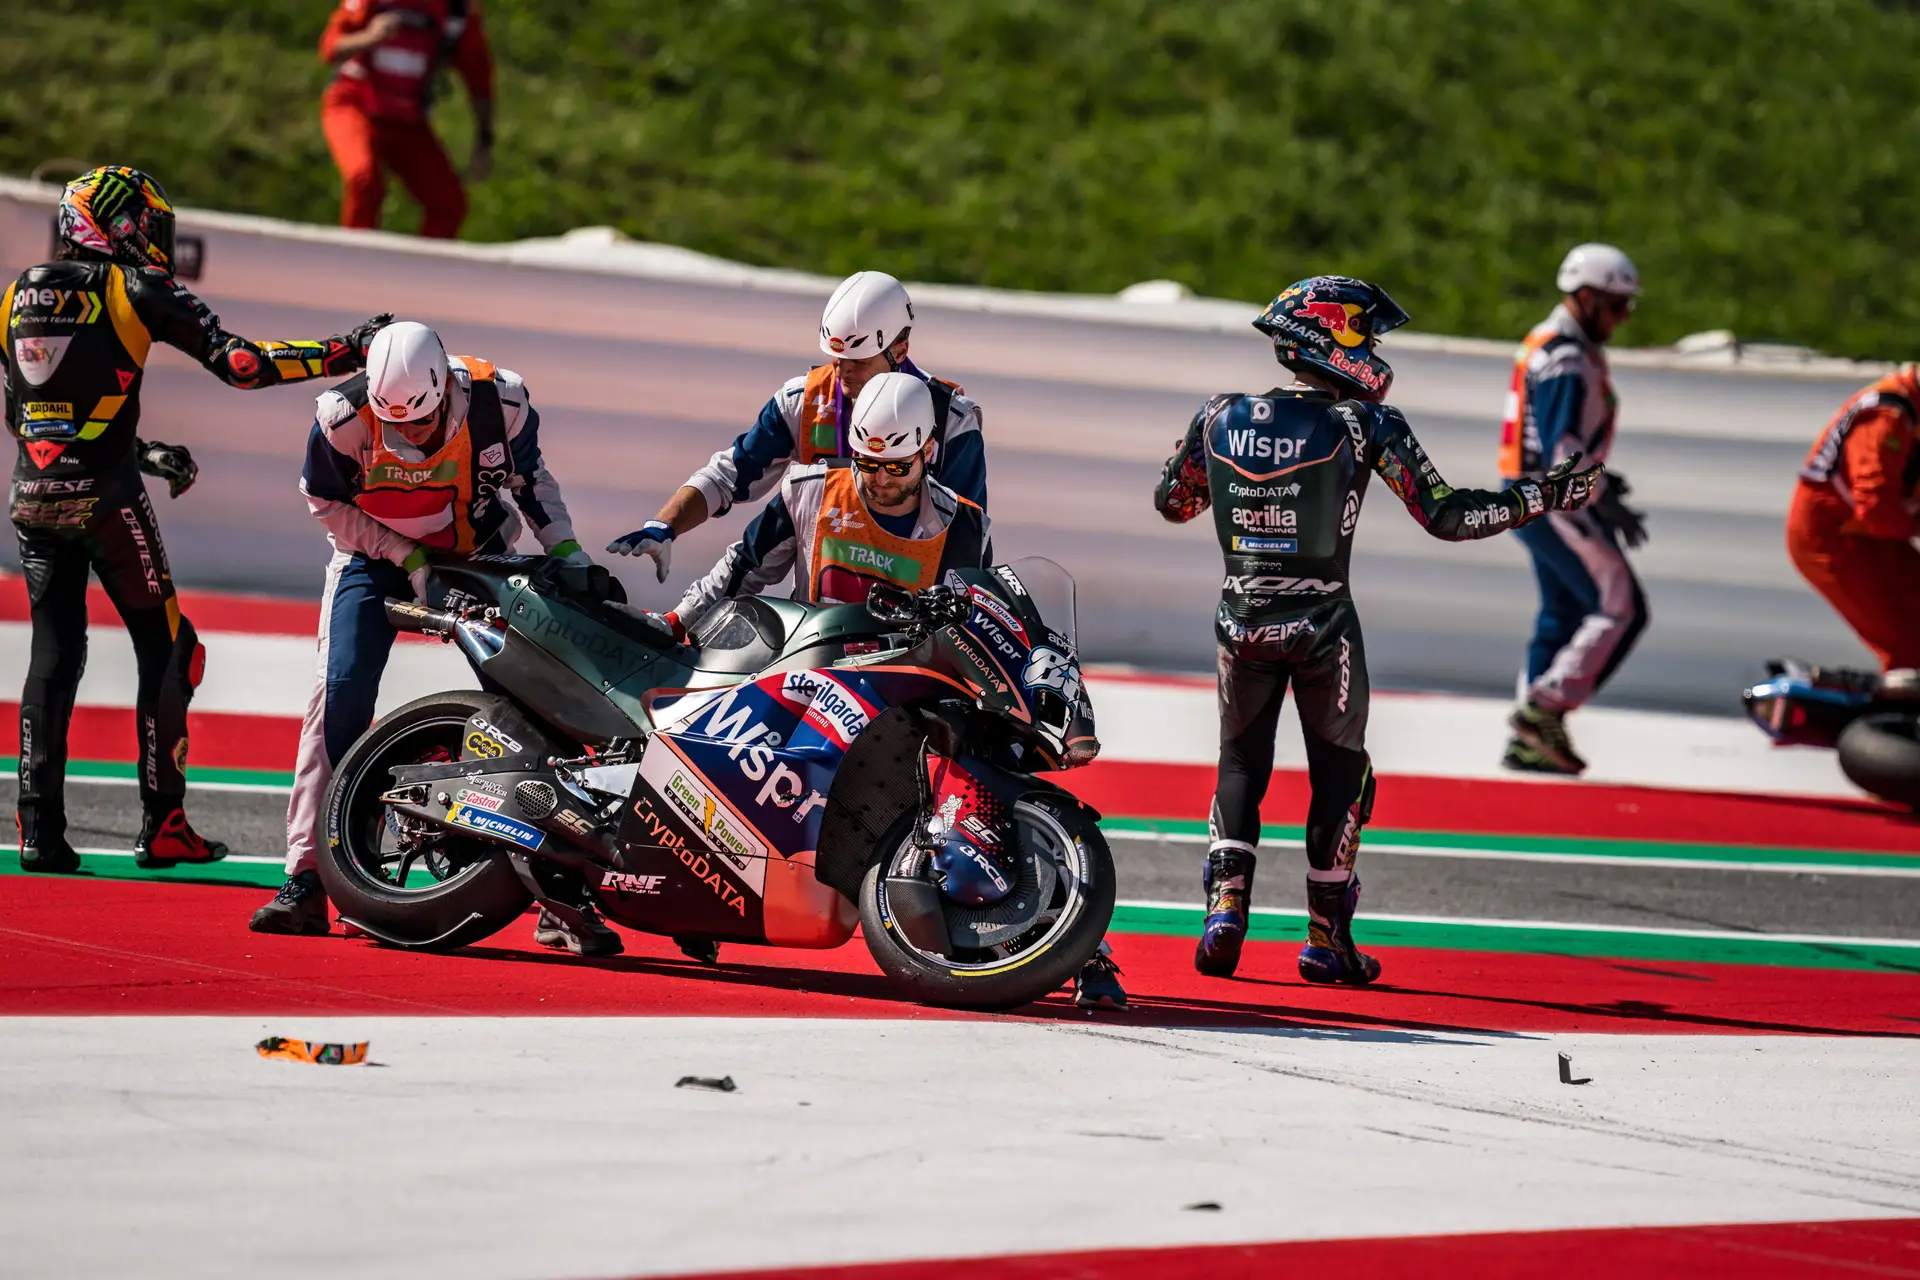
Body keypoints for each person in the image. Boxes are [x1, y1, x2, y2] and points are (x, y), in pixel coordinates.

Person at [1155, 275, 1602, 984]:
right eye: (1368, 333)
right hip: (1323, 625)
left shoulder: (1219, 415)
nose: (1375, 348)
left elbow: (1172, 502)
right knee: (1343, 776)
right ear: (1334, 337)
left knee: (1240, 764)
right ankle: (1327, 939)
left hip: (1239, 620)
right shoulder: (1366, 426)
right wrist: (1541, 495)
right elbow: (1449, 517)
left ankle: (1224, 907)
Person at [668, 372, 1128, 1010]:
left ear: (926, 454)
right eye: (866, 464)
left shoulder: (961, 522)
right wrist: (675, 622)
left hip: (907, 682)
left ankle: (1084, 949)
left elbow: (979, 603)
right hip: (808, 672)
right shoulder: (807, 490)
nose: (878, 480)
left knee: (995, 756)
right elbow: (738, 569)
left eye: (894, 467)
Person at [6, 166, 385, 874]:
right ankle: (164, 824)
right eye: (144, 223)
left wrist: (143, 450)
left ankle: (39, 833)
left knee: (53, 660)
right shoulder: (135, 288)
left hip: (31, 498)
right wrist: (349, 347)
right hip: (104, 498)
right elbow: (242, 364)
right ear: (114, 224)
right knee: (173, 649)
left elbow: (27, 415)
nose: (152, 237)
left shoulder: (15, 298)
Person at [247, 321, 604, 952]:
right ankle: (305, 877)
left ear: (446, 391)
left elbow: (531, 484)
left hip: (483, 556)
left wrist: (570, 555)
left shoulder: (503, 401)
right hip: (374, 559)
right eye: (396, 424)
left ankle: (559, 893)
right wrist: (408, 559)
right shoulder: (340, 417)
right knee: (338, 695)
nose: (408, 436)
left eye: (420, 422)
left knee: (535, 706)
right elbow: (326, 505)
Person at [606, 271, 987, 580]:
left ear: (899, 350)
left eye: (858, 360)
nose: (843, 372)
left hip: (912, 617)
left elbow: (966, 541)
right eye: (836, 358)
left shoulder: (953, 421)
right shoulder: (803, 400)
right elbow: (730, 476)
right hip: (825, 616)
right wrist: (663, 526)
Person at [1496, 243, 1650, 775]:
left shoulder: (1555, 342)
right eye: (1615, 304)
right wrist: (1602, 497)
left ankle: (1526, 738)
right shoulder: (1566, 355)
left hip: (1532, 491)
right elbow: (1563, 451)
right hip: (1555, 496)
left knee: (1561, 613)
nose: (1623, 316)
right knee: (1622, 608)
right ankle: (1543, 710)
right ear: (1584, 297)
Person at [320, 0, 494, 238]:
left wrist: (484, 137)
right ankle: (352, 267)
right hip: (355, 104)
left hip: (408, 120)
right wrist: (370, 37)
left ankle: (422, 273)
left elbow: (478, 75)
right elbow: (330, 47)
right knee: (364, 177)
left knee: (448, 203)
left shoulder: (457, 12)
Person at [1787, 365, 1920, 674]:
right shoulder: (1887, 416)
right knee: (1908, 641)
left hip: (1875, 535)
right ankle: (1895, 718)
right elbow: (1877, 509)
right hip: (1830, 539)